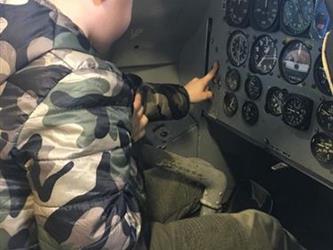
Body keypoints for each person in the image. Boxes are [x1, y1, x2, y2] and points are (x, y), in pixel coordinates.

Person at [0, 0, 305, 249]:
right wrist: (125, 139)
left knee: (195, 185)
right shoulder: (75, 75)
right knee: (261, 232)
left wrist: (184, 95)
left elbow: (110, 100)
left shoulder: (23, 31)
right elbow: (101, 243)